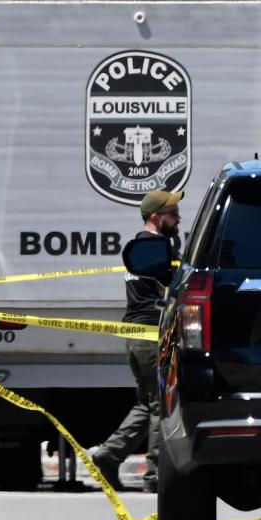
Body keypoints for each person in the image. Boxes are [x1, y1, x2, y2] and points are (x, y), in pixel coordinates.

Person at [90, 189, 181, 493]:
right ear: (156, 217)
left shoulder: (139, 247)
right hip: (151, 334)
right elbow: (175, 287)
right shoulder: (157, 249)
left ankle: (108, 455)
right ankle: (155, 475)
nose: (178, 219)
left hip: (135, 335)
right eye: (172, 214)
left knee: (148, 403)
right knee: (161, 407)